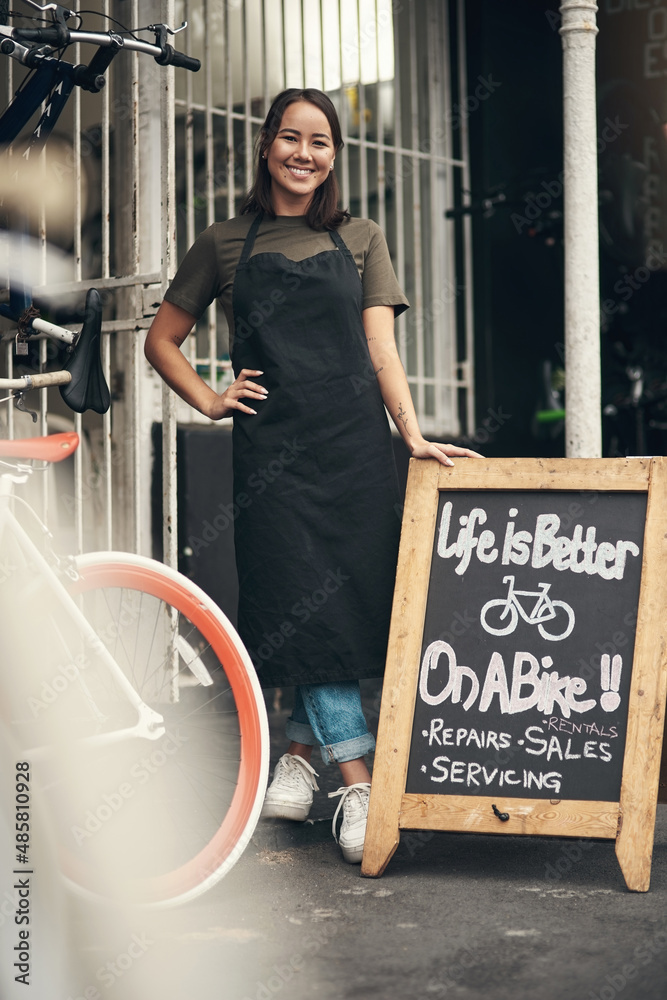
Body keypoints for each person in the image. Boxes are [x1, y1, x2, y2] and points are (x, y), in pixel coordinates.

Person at [144, 87, 481, 864]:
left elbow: (381, 351)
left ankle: (295, 760)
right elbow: (164, 339)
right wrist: (209, 396)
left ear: (334, 155)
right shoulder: (224, 242)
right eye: (290, 138)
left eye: (320, 141)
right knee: (300, 600)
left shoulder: (360, 237)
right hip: (273, 460)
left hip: (354, 451)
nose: (304, 153)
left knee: (340, 611)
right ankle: (356, 779)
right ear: (266, 147)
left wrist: (413, 435)